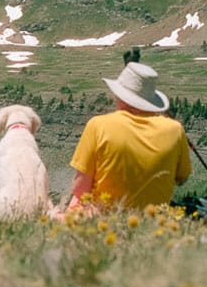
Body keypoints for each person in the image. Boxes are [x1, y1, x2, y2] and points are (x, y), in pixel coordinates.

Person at [68, 61, 191, 210]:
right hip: (154, 221)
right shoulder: (175, 129)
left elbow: (80, 189)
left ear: (120, 97)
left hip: (104, 221)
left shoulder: (98, 125)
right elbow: (182, 178)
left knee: (74, 202)